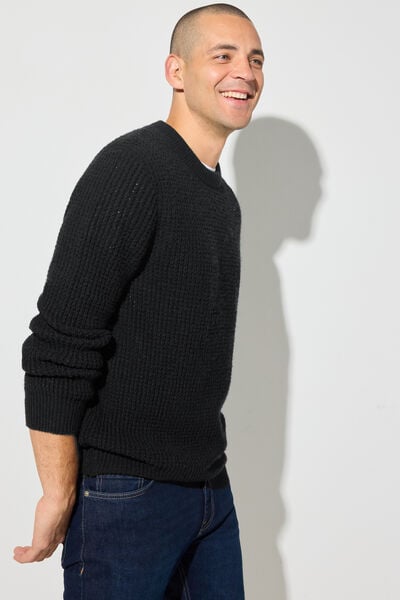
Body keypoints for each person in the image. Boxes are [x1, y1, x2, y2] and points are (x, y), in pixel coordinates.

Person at [14, 3, 264, 598]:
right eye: (223, 56)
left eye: (256, 60)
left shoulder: (220, 199)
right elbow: (57, 343)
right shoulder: (132, 169)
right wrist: (57, 492)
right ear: (176, 71)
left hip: (209, 492)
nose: (245, 73)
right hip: (126, 496)